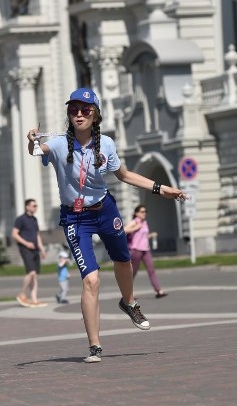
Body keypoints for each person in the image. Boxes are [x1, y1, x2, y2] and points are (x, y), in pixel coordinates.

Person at [28, 87, 187, 363]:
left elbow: (124, 175)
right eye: (73, 110)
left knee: (122, 261)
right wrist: (30, 140)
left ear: (95, 115)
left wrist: (161, 189)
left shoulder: (108, 145)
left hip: (104, 210)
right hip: (75, 219)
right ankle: (95, 346)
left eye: (85, 109)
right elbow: (34, 150)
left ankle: (129, 302)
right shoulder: (56, 144)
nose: (79, 114)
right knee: (91, 279)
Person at [124, 205, 168, 298]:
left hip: (146, 250)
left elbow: (143, 236)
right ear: (137, 213)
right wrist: (135, 228)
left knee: (151, 270)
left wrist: (151, 235)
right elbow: (124, 230)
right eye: (142, 212)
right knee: (133, 272)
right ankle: (128, 293)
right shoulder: (135, 221)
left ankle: (158, 291)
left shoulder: (145, 222)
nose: (144, 213)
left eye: (145, 212)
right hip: (136, 250)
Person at [12, 199, 47, 307]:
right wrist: (26, 243)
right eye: (33, 206)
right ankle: (22, 294)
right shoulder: (20, 219)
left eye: (36, 206)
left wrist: (42, 248)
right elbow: (14, 234)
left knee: (35, 275)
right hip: (25, 249)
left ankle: (34, 299)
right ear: (27, 207)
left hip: (35, 249)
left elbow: (37, 235)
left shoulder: (34, 220)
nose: (35, 207)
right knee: (31, 272)